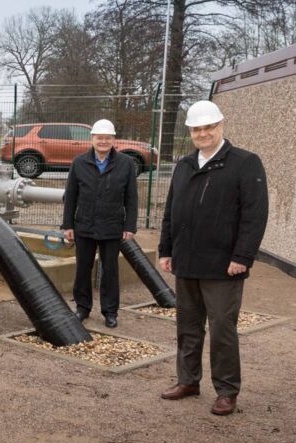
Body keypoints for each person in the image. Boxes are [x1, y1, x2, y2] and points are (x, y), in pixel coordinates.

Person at [158, 100, 268, 416]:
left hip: (223, 266)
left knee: (222, 329)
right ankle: (188, 380)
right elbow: (171, 211)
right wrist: (166, 249)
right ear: (191, 131)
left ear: (221, 126)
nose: (203, 133)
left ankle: (227, 391)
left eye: (209, 127)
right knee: (188, 326)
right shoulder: (184, 165)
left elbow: (254, 215)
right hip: (187, 262)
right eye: (197, 129)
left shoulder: (245, 163)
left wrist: (243, 256)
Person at [61, 119, 138, 328]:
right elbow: (71, 197)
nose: (103, 141)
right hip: (84, 226)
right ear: (92, 139)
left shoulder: (126, 164)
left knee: (110, 271)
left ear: (114, 140)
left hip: (113, 227)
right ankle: (82, 308)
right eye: (99, 137)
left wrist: (129, 226)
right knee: (83, 269)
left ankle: (110, 312)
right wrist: (68, 225)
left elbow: (131, 198)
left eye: (107, 138)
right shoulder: (79, 163)